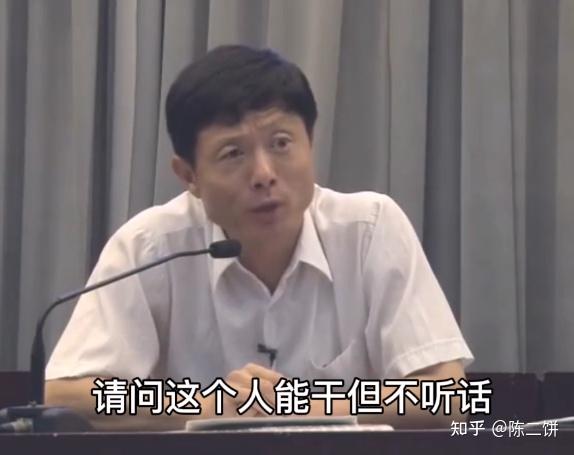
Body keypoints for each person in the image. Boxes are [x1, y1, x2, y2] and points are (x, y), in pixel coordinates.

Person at [45, 45, 474, 431]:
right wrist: (210, 403)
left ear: (310, 144)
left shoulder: (369, 230)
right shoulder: (150, 247)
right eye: (233, 153)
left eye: (281, 143)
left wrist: (300, 404)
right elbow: (64, 397)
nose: (264, 174)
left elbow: (449, 396)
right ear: (189, 175)